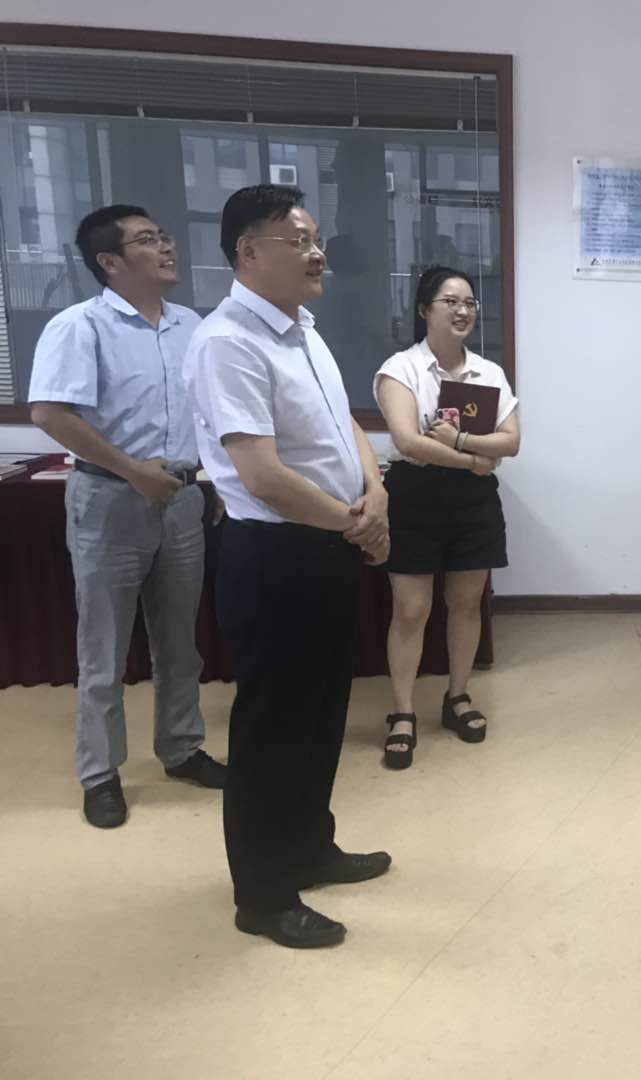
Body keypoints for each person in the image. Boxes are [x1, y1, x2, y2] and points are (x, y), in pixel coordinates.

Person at [185, 185, 391, 949]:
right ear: (247, 252)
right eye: (297, 240)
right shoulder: (228, 343)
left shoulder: (302, 329)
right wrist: (358, 524)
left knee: (321, 712)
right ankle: (264, 895)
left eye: (315, 237)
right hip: (274, 554)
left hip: (330, 543)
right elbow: (262, 476)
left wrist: (375, 493)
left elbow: (346, 427)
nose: (317, 253)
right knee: (273, 727)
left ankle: (310, 847)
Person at [29, 204, 226, 830]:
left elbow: (208, 410)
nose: (166, 246)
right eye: (147, 240)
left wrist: (216, 475)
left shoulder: (192, 325)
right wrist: (131, 469)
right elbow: (50, 415)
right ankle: (100, 774)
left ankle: (182, 748)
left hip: (183, 498)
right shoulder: (79, 326)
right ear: (110, 261)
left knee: (180, 642)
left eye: (163, 236)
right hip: (110, 500)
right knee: (104, 649)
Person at [374, 266, 519, 770]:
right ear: (424, 310)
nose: (463, 310)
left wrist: (458, 441)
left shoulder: (488, 373)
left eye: (470, 303)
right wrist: (475, 460)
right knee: (411, 610)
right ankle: (402, 712)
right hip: (415, 495)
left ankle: (458, 696)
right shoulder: (401, 369)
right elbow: (408, 442)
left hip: (473, 502)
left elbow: (512, 441)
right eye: (450, 301)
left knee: (466, 603)